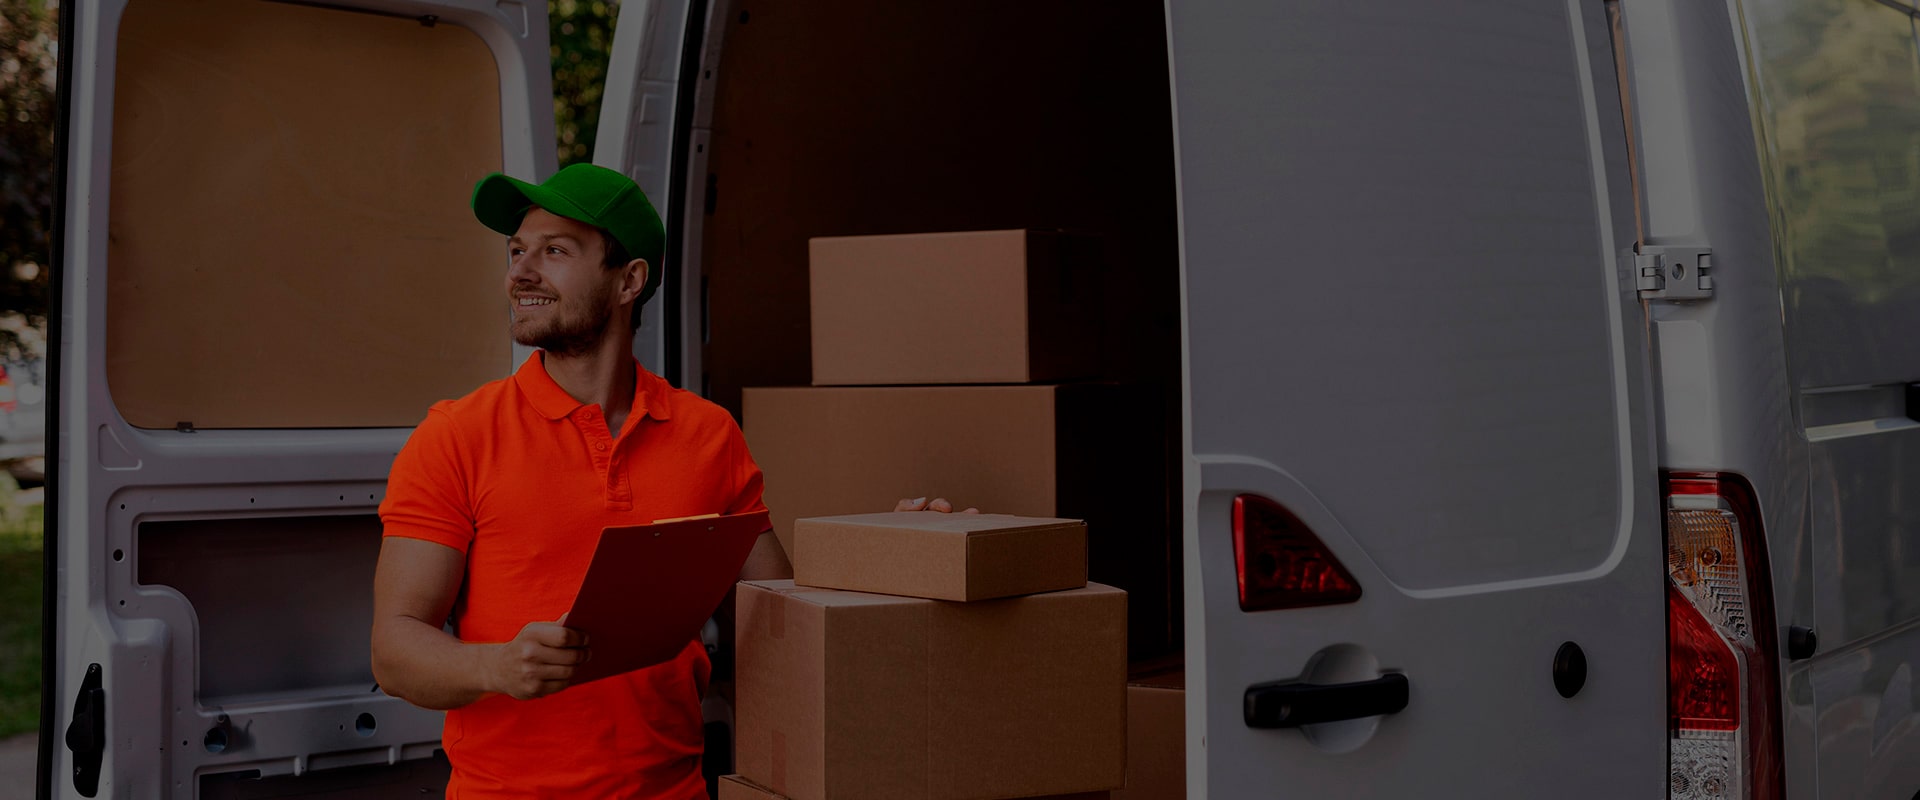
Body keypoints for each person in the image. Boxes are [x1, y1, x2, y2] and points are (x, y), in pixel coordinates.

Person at [370, 163, 966, 798]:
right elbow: (394, 650)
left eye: (555, 251)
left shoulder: (707, 435)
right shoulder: (457, 436)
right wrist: (497, 664)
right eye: (517, 250)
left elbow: (778, 617)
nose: (520, 272)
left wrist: (896, 558)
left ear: (629, 280)